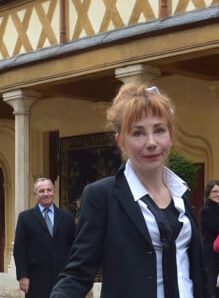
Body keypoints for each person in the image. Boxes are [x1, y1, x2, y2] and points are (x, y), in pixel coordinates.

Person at [50, 83, 207, 298]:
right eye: (138, 133)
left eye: (159, 130)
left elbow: (196, 271)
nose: (151, 143)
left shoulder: (180, 194)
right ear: (121, 141)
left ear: (171, 135)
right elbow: (78, 273)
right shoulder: (102, 196)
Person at [13, 177, 76, 298]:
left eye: (49, 190)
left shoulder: (67, 218)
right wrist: (22, 276)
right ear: (35, 194)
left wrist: (73, 273)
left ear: (54, 191)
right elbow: (19, 249)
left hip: (63, 278)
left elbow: (74, 247)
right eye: (41, 191)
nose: (46, 194)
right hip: (36, 279)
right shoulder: (25, 218)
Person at [199, 180, 219, 298]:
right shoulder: (206, 210)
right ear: (208, 194)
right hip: (212, 252)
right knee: (214, 283)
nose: (218, 194)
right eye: (215, 192)